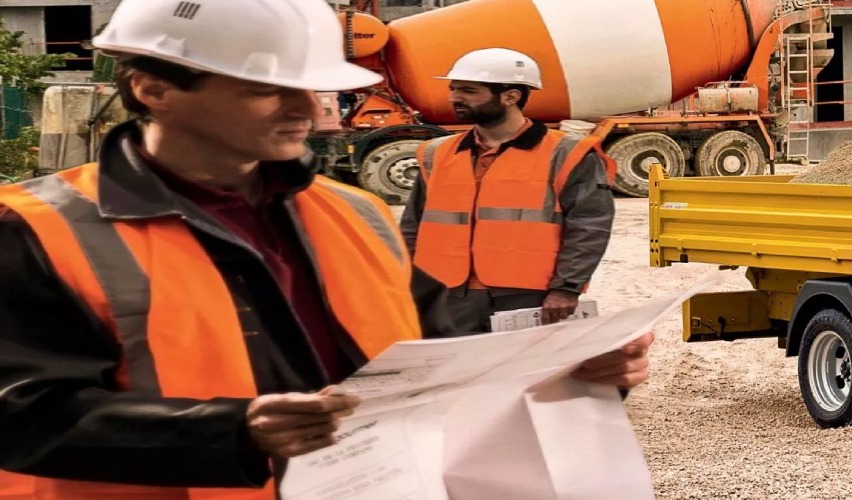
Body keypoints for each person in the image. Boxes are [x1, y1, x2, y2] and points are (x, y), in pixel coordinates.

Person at [0, 0, 651, 497]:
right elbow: (21, 412)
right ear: (151, 88)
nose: (309, 111)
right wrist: (232, 432)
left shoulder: (356, 214)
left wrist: (568, 364)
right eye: (266, 87)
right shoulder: (37, 230)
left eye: (311, 87)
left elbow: (447, 341)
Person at [398, 48, 615, 334]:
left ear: (510, 96)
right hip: (446, 294)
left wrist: (567, 288)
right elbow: (413, 226)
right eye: (453, 89)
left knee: (527, 376)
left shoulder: (567, 153)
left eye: (468, 91)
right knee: (453, 376)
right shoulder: (436, 153)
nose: (453, 98)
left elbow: (589, 226)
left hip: (525, 295)